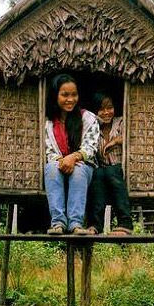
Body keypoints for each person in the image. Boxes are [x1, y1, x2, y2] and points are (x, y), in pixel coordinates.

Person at [44, 74, 99, 235]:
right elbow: (49, 150)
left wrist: (73, 157)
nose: (70, 99)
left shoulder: (87, 118)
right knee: (52, 168)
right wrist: (63, 161)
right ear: (55, 95)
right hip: (59, 164)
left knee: (78, 171)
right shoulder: (49, 122)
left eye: (74, 95)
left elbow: (91, 146)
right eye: (65, 95)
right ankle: (58, 223)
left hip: (82, 164)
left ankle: (75, 224)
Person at [87, 92, 133, 235]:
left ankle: (125, 223)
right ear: (95, 112)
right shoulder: (93, 128)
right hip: (103, 172)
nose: (106, 112)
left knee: (111, 172)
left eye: (110, 108)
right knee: (98, 174)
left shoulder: (120, 122)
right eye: (101, 109)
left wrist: (115, 141)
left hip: (119, 170)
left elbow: (131, 136)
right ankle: (95, 225)